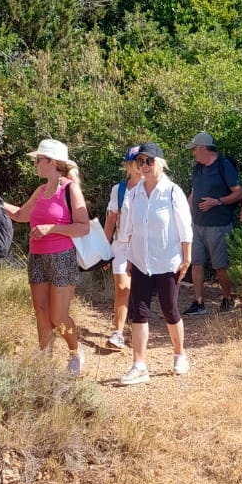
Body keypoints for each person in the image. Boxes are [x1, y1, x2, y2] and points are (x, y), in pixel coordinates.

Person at [3, 137, 90, 373]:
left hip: (62, 257)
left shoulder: (70, 189)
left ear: (51, 162)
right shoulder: (41, 190)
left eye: (38, 160)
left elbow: (83, 227)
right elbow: (21, 214)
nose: (35, 165)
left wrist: (52, 228)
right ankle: (45, 363)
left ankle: (75, 352)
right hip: (37, 257)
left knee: (58, 316)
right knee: (40, 310)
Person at [115, 142, 193, 386]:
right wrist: (128, 257)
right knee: (139, 312)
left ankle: (179, 354)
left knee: (170, 309)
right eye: (141, 162)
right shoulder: (134, 192)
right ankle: (139, 365)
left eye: (149, 161)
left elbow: (184, 228)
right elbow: (128, 228)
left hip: (167, 261)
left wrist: (186, 258)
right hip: (139, 260)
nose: (144, 166)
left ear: (160, 163)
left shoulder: (172, 191)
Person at [184, 132, 242, 314]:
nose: (193, 152)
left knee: (220, 265)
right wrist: (185, 215)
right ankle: (198, 302)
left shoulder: (223, 166)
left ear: (203, 148)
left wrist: (216, 202)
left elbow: (238, 193)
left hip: (218, 225)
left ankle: (227, 298)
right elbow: (193, 194)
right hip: (197, 225)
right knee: (197, 263)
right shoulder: (197, 169)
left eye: (194, 149)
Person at [103, 145, 141, 349]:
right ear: (128, 164)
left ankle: (140, 329)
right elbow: (111, 220)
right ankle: (118, 332)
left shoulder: (152, 188)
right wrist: (103, 251)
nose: (139, 166)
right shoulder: (118, 190)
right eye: (135, 161)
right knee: (122, 287)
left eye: (143, 161)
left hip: (144, 247)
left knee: (140, 289)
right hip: (121, 245)